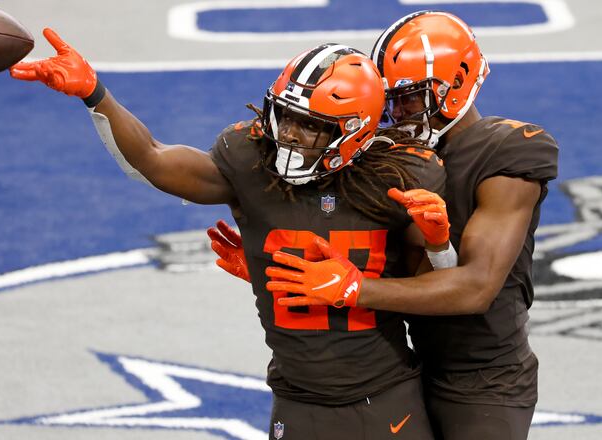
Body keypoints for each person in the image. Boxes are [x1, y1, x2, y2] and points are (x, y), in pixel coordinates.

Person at [10, 30, 448, 439]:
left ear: (355, 131)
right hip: (297, 396)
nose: (290, 135)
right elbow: (154, 159)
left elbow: (446, 291)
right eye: (286, 116)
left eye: (311, 125)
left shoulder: (403, 174)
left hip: (385, 395)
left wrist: (437, 244)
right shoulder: (250, 159)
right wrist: (95, 94)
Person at [210, 11, 559, 440]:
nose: (395, 114)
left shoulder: (507, 151)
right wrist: (277, 266)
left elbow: (475, 288)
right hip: (402, 363)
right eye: (389, 101)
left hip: (481, 372)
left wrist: (355, 288)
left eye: (408, 99)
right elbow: (351, 232)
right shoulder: (387, 154)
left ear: (456, 83)